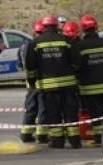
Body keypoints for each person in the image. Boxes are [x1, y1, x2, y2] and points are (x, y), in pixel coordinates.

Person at [25, 15, 81, 149]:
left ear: (43, 27)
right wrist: (72, 73)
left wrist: (32, 82)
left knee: (53, 113)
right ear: (57, 26)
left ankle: (57, 141)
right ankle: (74, 141)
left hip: (48, 87)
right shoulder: (67, 41)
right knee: (70, 113)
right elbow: (77, 62)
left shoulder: (35, 43)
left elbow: (30, 67)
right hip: (68, 85)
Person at [74, 15, 103, 145]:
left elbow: (76, 67)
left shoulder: (79, 47)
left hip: (88, 89)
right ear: (96, 27)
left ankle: (99, 138)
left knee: (95, 115)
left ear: (83, 29)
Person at [18, 20, 48, 143]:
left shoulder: (24, 46)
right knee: (42, 108)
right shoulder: (42, 46)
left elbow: (21, 65)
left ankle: (25, 134)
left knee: (30, 108)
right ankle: (41, 135)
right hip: (41, 82)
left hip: (30, 83)